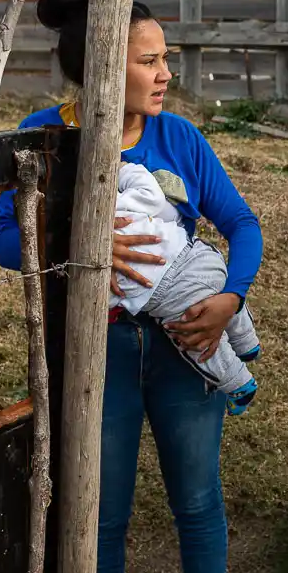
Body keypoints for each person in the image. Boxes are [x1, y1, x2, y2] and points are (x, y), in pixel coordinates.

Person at [0, 0, 262, 573]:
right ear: (107, 62)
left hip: (186, 342)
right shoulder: (47, 136)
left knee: (197, 499)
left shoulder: (180, 138)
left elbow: (242, 224)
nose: (166, 72)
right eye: (149, 60)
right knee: (99, 506)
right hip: (96, 352)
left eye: (165, 57)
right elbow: (4, 242)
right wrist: (75, 234)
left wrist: (231, 298)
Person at [112, 161, 261, 407]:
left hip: (173, 295)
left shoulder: (83, 231)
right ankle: (248, 344)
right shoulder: (124, 201)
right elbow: (153, 195)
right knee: (218, 293)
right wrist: (124, 169)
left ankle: (239, 385)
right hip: (197, 254)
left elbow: (104, 296)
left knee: (199, 342)